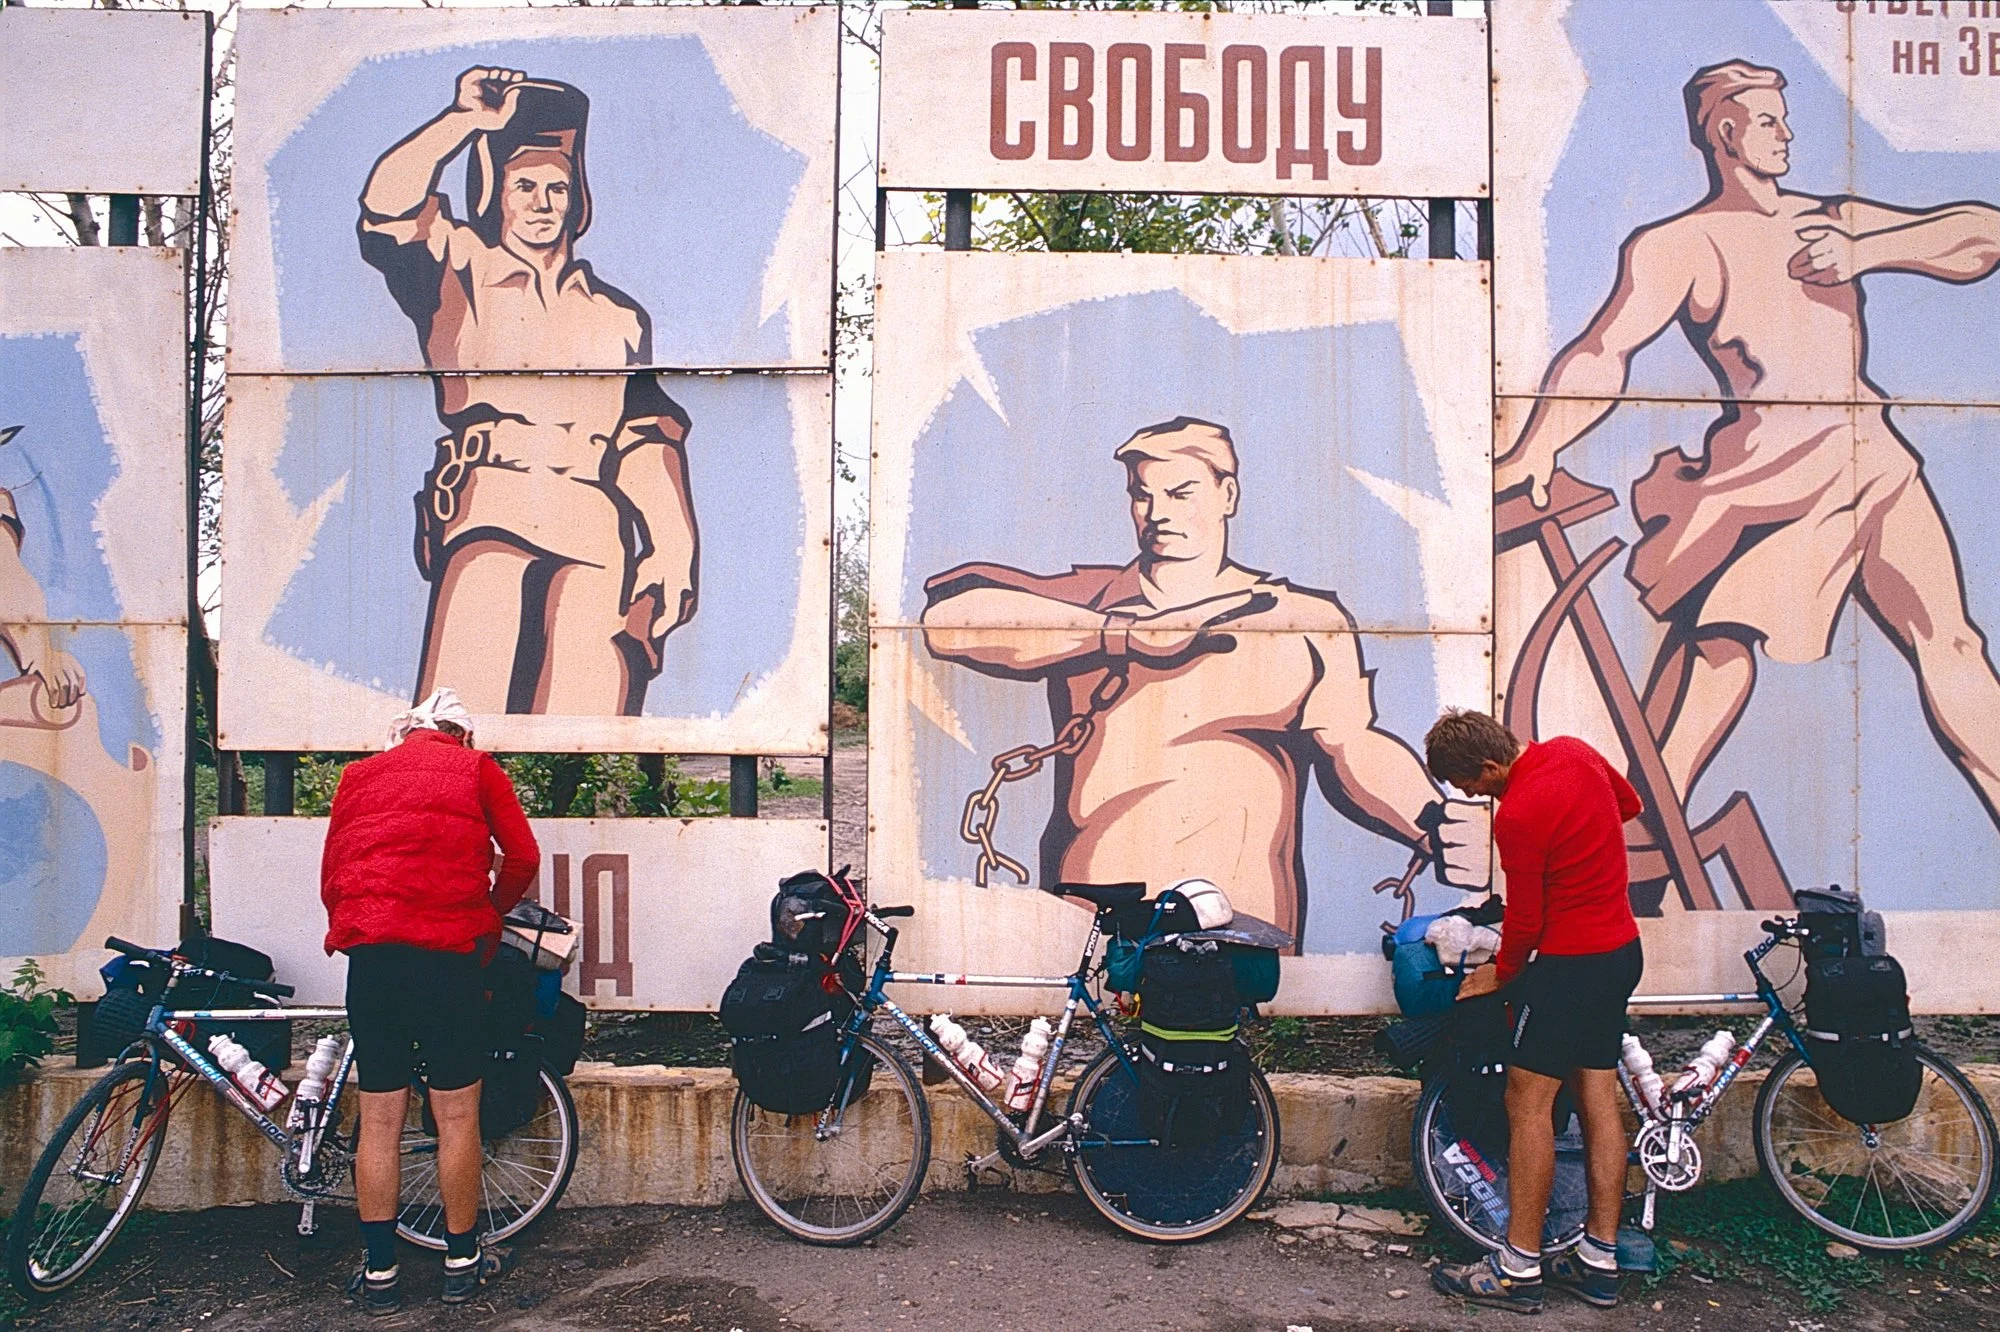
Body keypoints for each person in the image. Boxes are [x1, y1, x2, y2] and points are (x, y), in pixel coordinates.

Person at [1499, 60, 2000, 899]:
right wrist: (1535, 445)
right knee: (1718, 653)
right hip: (1771, 473)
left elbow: (1981, 232)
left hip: (1868, 455)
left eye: (1784, 118)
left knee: (1951, 646)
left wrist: (1868, 250)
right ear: (1727, 131)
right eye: (1769, 120)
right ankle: (1629, 864)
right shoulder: (1682, 244)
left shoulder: (1828, 222)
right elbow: (1603, 352)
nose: (1788, 134)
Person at [922, 416, 1489, 942]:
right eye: (1142, 496)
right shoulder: (1093, 604)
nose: (1157, 511)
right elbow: (946, 620)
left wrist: (1433, 823)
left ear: (1227, 496)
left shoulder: (1300, 619)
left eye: (1179, 493)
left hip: (1246, 916)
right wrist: (1124, 635)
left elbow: (1351, 747)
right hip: (1098, 908)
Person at [360, 67, 698, 717]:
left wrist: (671, 548)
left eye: (557, 186)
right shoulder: (460, 268)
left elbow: (646, 439)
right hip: (490, 506)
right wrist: (460, 123)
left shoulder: (617, 316)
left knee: (589, 714)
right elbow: (387, 207)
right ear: (498, 191)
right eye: (525, 185)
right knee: (458, 713)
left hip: (594, 520)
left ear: (577, 196)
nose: (543, 201)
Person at [320, 687, 540, 1314]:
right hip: (449, 962)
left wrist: (368, 926)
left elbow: (334, 879)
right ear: (463, 736)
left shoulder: (358, 776)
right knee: (457, 1117)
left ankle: (381, 1273)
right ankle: (462, 1265)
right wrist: (488, 915)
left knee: (380, 1119)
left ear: (405, 733)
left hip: (376, 965)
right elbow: (522, 856)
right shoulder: (477, 769)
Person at [1423, 709, 1643, 1314]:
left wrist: (1501, 976)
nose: (1469, 795)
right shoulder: (1577, 752)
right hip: (1621, 951)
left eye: (1469, 784)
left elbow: (1524, 920)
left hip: (1570, 967)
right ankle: (1599, 1259)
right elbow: (1628, 808)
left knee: (1527, 1100)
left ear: (1491, 766)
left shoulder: (1518, 813)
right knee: (1597, 1097)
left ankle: (1518, 1268)